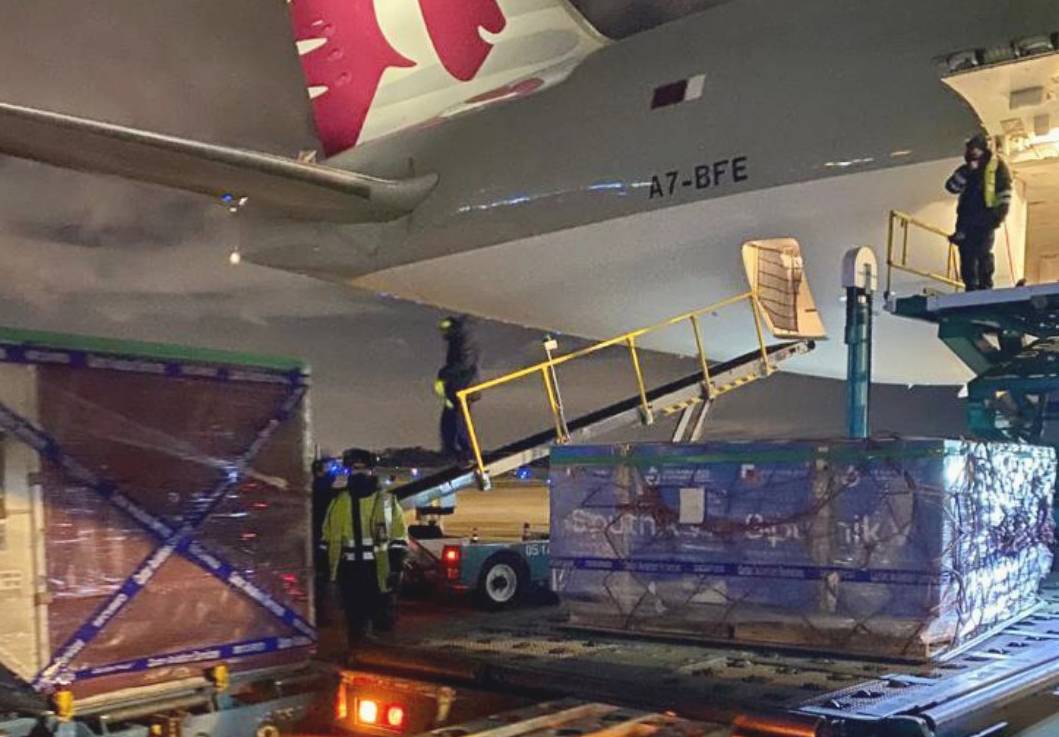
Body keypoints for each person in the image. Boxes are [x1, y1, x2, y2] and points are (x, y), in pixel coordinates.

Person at [321, 448, 408, 646]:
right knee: (353, 619)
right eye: (354, 469)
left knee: (381, 621)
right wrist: (325, 565)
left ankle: (381, 655)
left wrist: (396, 563)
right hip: (349, 570)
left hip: (377, 570)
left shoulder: (387, 501)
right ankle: (358, 652)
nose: (359, 473)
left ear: (371, 470)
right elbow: (328, 536)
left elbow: (398, 535)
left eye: (363, 469)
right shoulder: (338, 502)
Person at [945, 133, 1013, 291]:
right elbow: (951, 187)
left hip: (985, 220)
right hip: (965, 222)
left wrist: (998, 217)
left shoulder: (997, 168)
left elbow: (1004, 193)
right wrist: (967, 172)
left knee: (983, 253)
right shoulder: (966, 170)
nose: (973, 153)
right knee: (967, 255)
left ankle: (985, 286)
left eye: (975, 149)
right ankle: (971, 286)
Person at [435, 316, 480, 461]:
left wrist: (443, 374)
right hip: (457, 388)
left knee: (459, 421)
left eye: (445, 329)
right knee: (451, 421)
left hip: (464, 388)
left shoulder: (463, 341)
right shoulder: (458, 341)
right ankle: (454, 450)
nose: (443, 333)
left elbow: (465, 364)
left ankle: (466, 452)